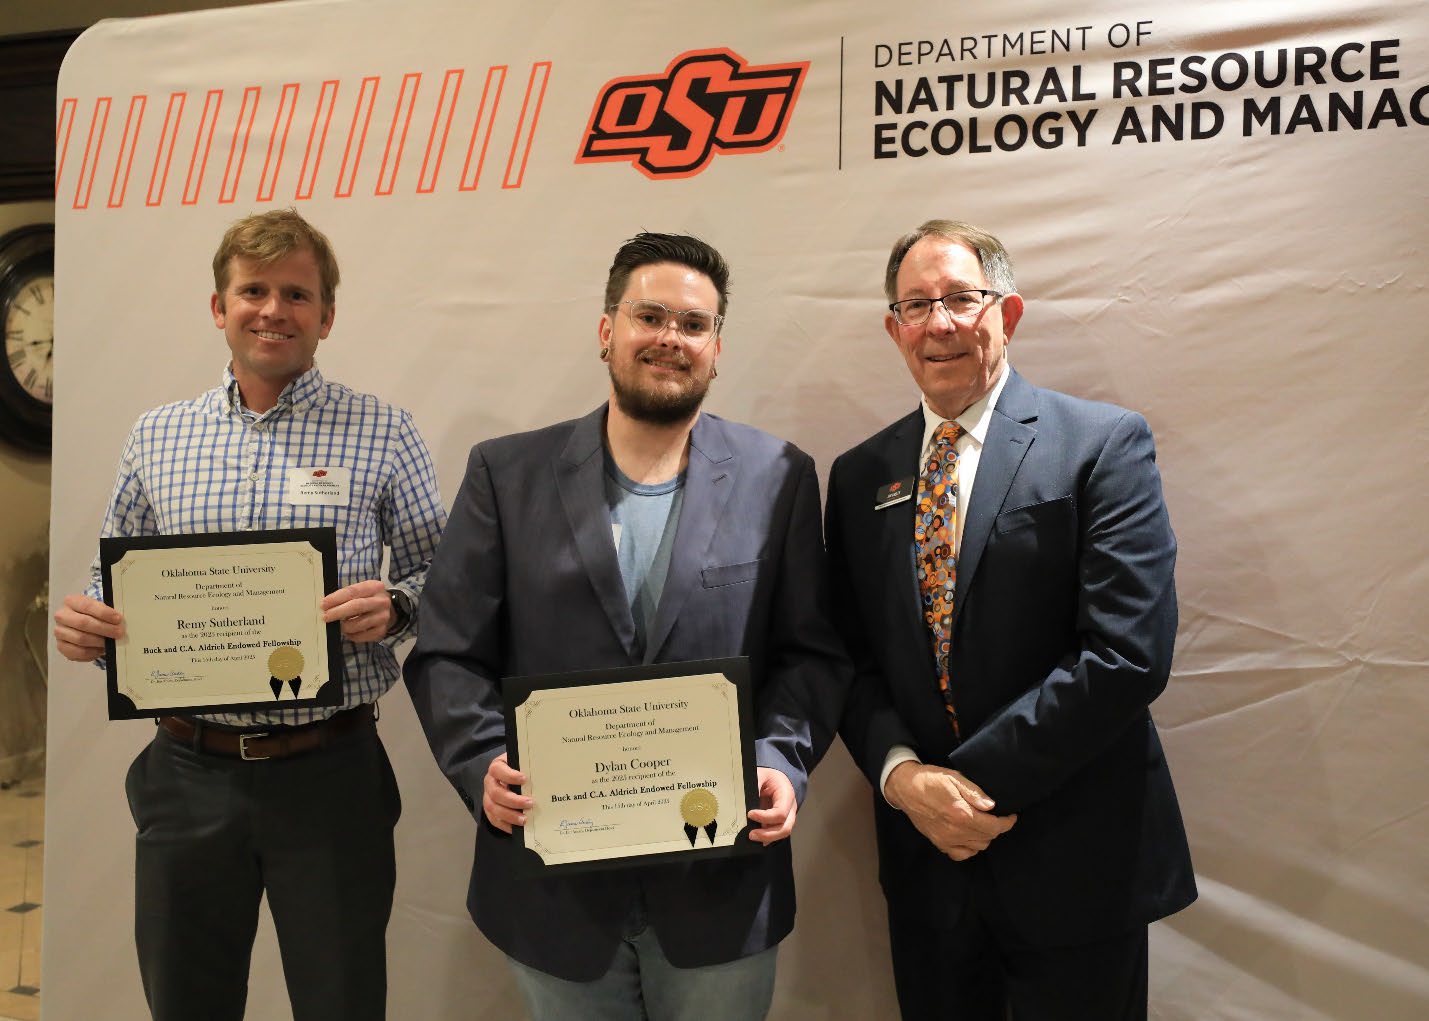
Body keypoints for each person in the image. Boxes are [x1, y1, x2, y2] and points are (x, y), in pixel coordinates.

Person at [404, 231, 847, 1020]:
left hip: (719, 883)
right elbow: (446, 651)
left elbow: (809, 654)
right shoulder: (505, 475)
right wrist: (481, 761)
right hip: (553, 885)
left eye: (693, 324)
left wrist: (780, 758)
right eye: (650, 316)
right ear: (607, 329)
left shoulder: (778, 477)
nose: (670, 337)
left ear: (716, 349)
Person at [52, 209, 446, 1021]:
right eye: (253, 290)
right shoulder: (158, 436)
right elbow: (111, 580)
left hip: (330, 775)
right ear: (219, 306)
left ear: (326, 315)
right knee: (186, 1003)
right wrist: (87, 625)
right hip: (187, 773)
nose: (273, 309)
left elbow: (439, 574)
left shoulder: (384, 429)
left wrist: (397, 603)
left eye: (296, 294)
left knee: (341, 1003)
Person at [826, 220, 1196, 1020]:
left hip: (1075, 866)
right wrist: (902, 778)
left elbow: (1127, 653)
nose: (939, 323)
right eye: (916, 305)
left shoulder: (1100, 444)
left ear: (1009, 312)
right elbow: (848, 657)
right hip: (928, 872)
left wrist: (961, 789)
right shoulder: (858, 477)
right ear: (894, 329)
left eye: (961, 297)